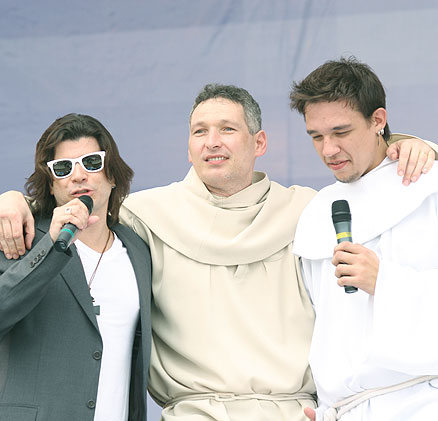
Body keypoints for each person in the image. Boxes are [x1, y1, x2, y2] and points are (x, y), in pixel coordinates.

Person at [0, 85, 435, 421]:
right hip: (193, 412)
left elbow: (369, 184)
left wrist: (410, 144)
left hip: (289, 412)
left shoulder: (308, 209)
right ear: (187, 147)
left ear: (259, 142)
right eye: (199, 132)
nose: (213, 142)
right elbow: (79, 201)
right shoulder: (145, 217)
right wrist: (15, 200)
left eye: (228, 129)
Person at [290, 57, 438, 421]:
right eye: (316, 136)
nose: (328, 150)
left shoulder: (429, 188)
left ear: (378, 120)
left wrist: (385, 282)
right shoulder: (315, 215)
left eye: (341, 133)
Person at [0, 114, 152, 421]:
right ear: (52, 185)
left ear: (112, 176)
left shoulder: (138, 249)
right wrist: (51, 245)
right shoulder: (21, 237)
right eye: (64, 168)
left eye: (92, 162)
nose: (79, 175)